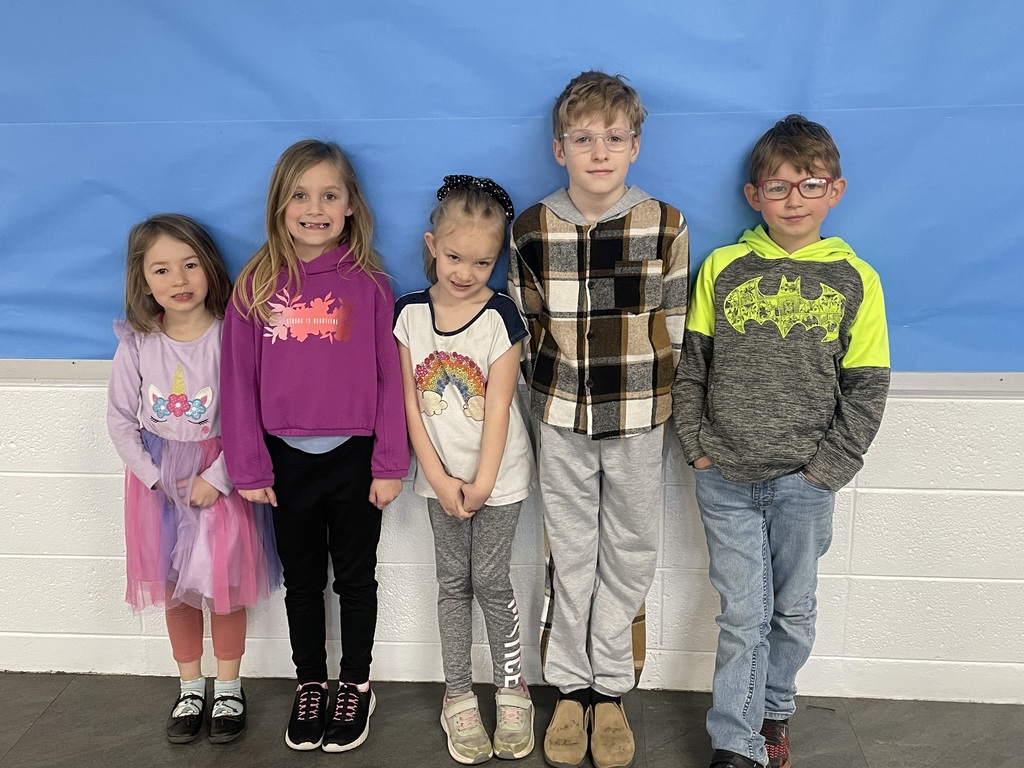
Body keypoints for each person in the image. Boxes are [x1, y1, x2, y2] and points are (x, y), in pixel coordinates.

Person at [672, 114, 890, 768]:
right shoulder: (724, 268)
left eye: (809, 184)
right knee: (743, 615)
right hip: (726, 476)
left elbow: (868, 387)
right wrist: (698, 447)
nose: (793, 199)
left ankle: (772, 713)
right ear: (753, 196)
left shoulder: (858, 280)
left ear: (835, 191)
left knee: (791, 613)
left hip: (804, 482)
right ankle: (734, 746)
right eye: (778, 187)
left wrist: (826, 469)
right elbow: (692, 367)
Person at [508, 71, 689, 768]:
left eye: (614, 138)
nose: (599, 151)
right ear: (560, 150)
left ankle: (612, 686)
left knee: (632, 547)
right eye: (583, 139)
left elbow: (672, 322)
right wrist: (539, 406)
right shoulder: (532, 227)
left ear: (636, 145)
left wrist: (673, 407)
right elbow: (524, 329)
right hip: (558, 416)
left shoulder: (665, 223)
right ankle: (571, 689)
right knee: (571, 552)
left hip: (641, 415)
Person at [220, 139, 409, 753]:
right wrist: (248, 463)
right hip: (283, 462)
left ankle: (355, 681)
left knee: (356, 579)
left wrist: (388, 463)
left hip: (355, 461)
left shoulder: (372, 284)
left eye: (330, 194)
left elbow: (390, 379)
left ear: (351, 204)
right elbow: (237, 385)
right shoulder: (254, 285)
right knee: (302, 582)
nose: (315, 208)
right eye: (300, 195)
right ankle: (311, 683)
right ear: (280, 205)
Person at [107, 213, 280, 745]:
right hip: (158, 488)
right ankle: (190, 685)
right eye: (161, 270)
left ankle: (229, 686)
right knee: (175, 591)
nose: (177, 281)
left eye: (189, 265)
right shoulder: (137, 342)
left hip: (217, 480)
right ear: (143, 278)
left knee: (223, 590)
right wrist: (156, 479)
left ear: (209, 268)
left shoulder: (233, 336)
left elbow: (252, 412)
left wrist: (220, 476)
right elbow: (120, 421)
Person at [394, 175, 536, 764]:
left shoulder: (501, 315)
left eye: (482, 261)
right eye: (454, 256)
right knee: (453, 584)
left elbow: (500, 404)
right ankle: (457, 692)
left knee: (492, 582)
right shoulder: (408, 314)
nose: (465, 272)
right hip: (439, 479)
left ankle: (511, 688)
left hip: (497, 481)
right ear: (432, 244)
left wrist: (480, 483)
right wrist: (438, 477)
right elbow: (409, 402)